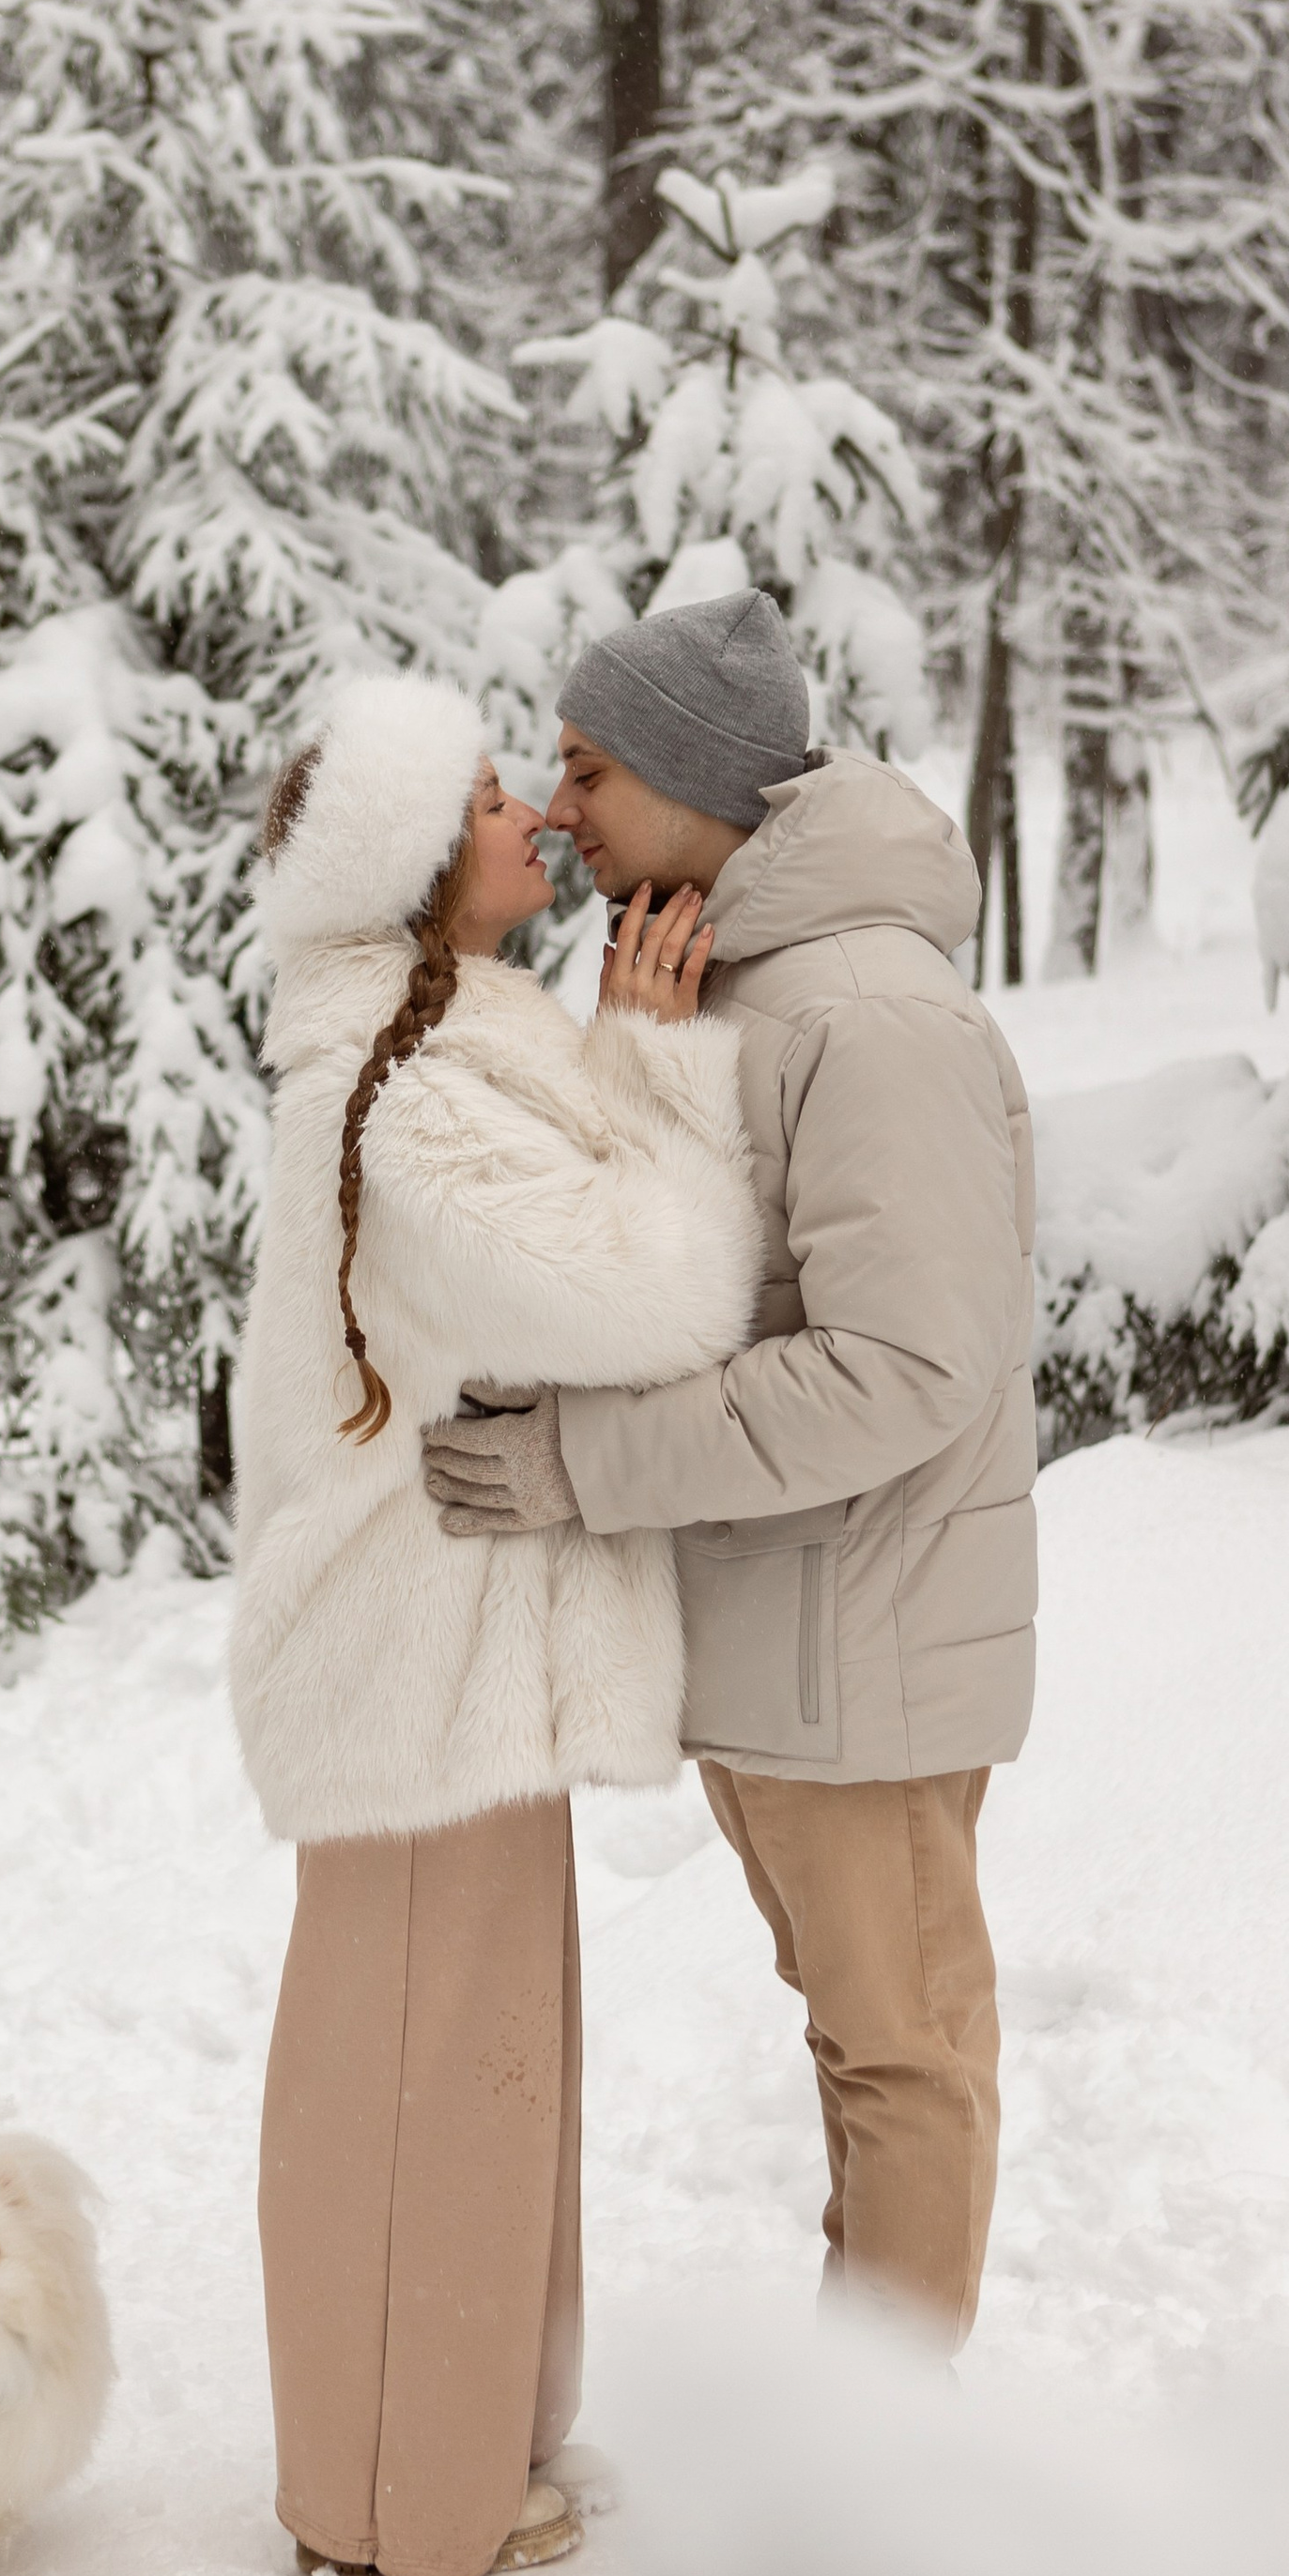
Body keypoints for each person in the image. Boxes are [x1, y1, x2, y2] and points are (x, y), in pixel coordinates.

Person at [422, 590, 1036, 2350]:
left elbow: (910, 1366)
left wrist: (578, 1468)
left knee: (904, 2050)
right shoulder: (729, 983)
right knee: (863, 2040)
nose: (560, 809)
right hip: (784, 1632)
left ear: (697, 780)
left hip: (871, 1637)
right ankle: (855, 2454)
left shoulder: (866, 1015)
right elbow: (682, 1288)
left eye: (591, 767)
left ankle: (886, 2499)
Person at [230, 665, 758, 2576]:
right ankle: (417, 2508)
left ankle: (435, 2457)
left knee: (454, 2062)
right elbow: (649, 1293)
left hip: (435, 1655)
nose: (524, 818)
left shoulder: (433, 1052)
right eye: (475, 806)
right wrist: (669, 1075)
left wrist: (608, 1065)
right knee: (435, 2083)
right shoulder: (412, 1100)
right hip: (419, 1664)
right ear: (400, 879)